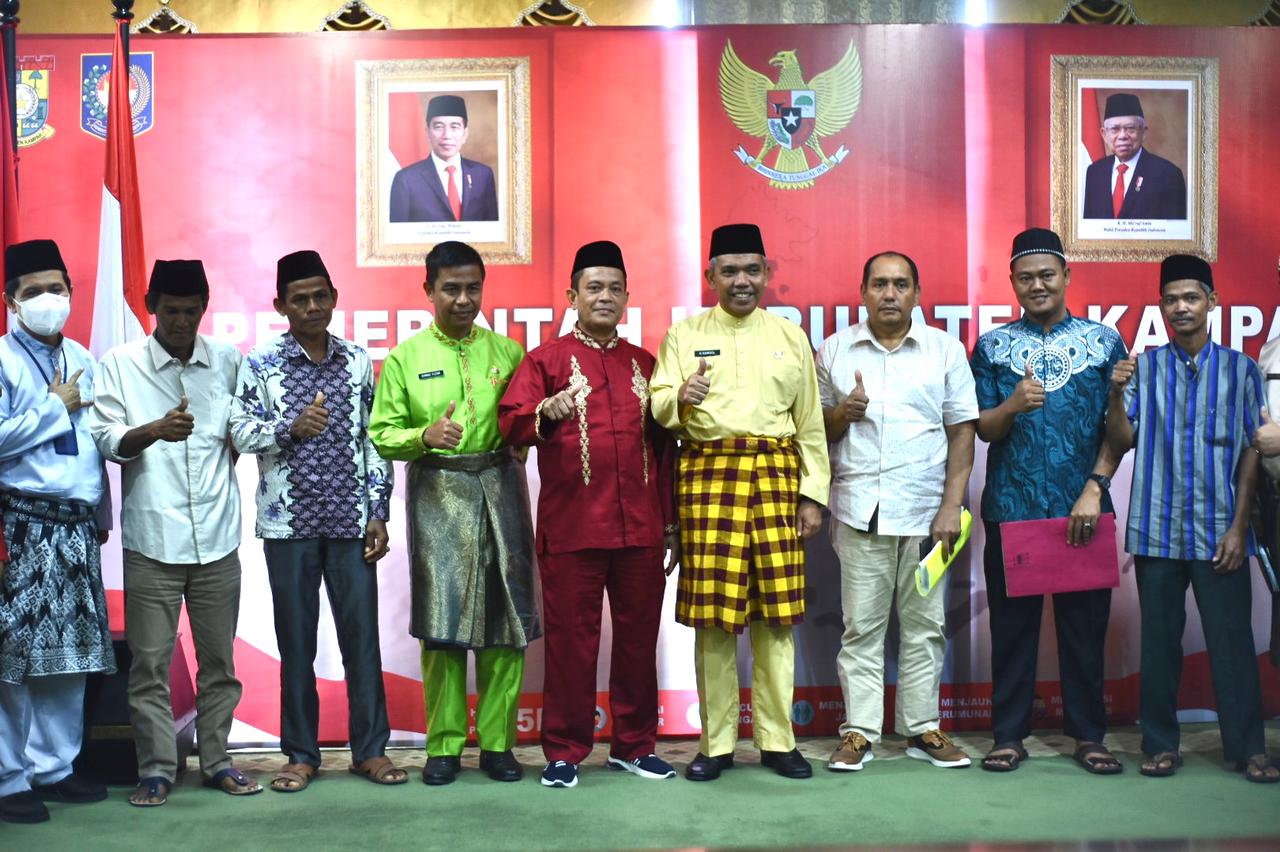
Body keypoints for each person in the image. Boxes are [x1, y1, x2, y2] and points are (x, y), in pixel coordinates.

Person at [649, 223, 829, 781]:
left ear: (767, 273)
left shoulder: (789, 336)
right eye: (729, 271)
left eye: (752, 269)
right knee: (714, 621)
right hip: (709, 478)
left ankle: (778, 741)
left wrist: (812, 495)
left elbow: (810, 423)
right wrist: (680, 397)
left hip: (775, 478)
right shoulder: (684, 335)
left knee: (776, 618)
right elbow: (657, 403)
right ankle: (716, 744)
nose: (742, 280)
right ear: (710, 276)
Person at [499, 240, 678, 789]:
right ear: (572, 295)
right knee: (571, 644)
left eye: (614, 288)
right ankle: (564, 750)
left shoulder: (645, 365)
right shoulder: (545, 362)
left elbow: (665, 451)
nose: (605, 296)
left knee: (638, 640)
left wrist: (670, 523)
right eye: (593, 287)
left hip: (641, 529)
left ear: (627, 296)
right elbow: (511, 422)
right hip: (572, 529)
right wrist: (543, 413)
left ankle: (635, 746)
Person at [230, 250, 404, 792]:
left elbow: (375, 439)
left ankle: (370, 751)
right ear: (280, 305)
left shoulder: (356, 360)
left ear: (334, 298)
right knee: (297, 644)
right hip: (289, 526)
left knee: (362, 642)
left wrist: (378, 511)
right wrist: (291, 427)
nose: (311, 307)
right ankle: (301, 755)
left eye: (320, 296)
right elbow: (239, 431)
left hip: (351, 522)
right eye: (299, 299)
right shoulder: (261, 362)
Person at [90, 259, 258, 806]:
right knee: (149, 667)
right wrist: (154, 430)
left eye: (191, 311)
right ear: (150, 307)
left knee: (220, 666)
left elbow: (242, 434)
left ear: (204, 307)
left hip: (217, 539)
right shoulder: (120, 364)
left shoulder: (228, 361)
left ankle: (218, 761)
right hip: (152, 542)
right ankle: (157, 770)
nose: (182, 321)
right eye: (170, 311)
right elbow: (105, 438)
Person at [369, 240, 538, 785]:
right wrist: (425, 435)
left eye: (472, 288)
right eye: (451, 289)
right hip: (437, 492)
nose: (463, 300)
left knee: (505, 622)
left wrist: (522, 440)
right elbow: (381, 433)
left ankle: (497, 745)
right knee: (441, 625)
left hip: (501, 489)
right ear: (429, 291)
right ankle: (443, 746)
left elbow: (524, 420)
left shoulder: (509, 353)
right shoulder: (406, 358)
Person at [1105, 254, 1277, 783]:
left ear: (1212, 302)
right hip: (1156, 530)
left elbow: (1252, 451)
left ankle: (1248, 748)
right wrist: (1116, 393)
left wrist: (1239, 526)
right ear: (1161, 307)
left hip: (1221, 531)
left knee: (1232, 644)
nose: (1181, 307)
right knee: (1159, 646)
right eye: (1171, 299)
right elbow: (1122, 439)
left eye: (1191, 298)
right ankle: (1160, 745)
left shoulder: (1241, 370)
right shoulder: (1145, 369)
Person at [970, 228, 1127, 774]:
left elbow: (1120, 433)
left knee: (1084, 635)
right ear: (1012, 282)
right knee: (1012, 633)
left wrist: (1095, 488)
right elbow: (983, 429)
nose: (1037, 285)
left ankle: (1089, 737)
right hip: (1013, 511)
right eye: (1025, 277)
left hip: (1082, 510)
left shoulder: (1102, 342)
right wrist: (1011, 405)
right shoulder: (992, 347)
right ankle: (1008, 736)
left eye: (1047, 275)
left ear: (1066, 276)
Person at [817, 251, 977, 773]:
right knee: (861, 629)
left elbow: (962, 433)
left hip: (928, 515)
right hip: (859, 511)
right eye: (880, 284)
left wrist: (951, 506)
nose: (890, 294)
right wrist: (842, 413)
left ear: (917, 293)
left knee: (925, 628)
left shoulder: (944, 351)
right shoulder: (835, 350)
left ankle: (921, 728)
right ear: (863, 292)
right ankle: (859, 732)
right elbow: (815, 431)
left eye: (901, 284)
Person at [0, 239, 113, 824]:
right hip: (21, 524)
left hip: (74, 527)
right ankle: (8, 776)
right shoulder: (2, 359)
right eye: (33, 291)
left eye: (56, 288)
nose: (48, 299)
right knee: (14, 659)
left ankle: (55, 766)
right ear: (11, 301)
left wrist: (100, 516)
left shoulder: (83, 356)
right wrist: (52, 407)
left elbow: (92, 444)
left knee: (69, 655)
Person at [389, 94, 499, 223]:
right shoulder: (406, 179)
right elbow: (398, 232)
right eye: (439, 127)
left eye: (454, 127)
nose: (447, 135)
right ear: (427, 133)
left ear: (465, 134)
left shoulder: (483, 175)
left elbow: (492, 227)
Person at [1083, 93, 1187, 220]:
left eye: (1130, 128)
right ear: (1104, 134)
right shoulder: (1094, 172)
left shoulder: (1168, 175)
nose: (1122, 136)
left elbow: (1175, 229)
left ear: (1143, 132)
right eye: (1115, 129)